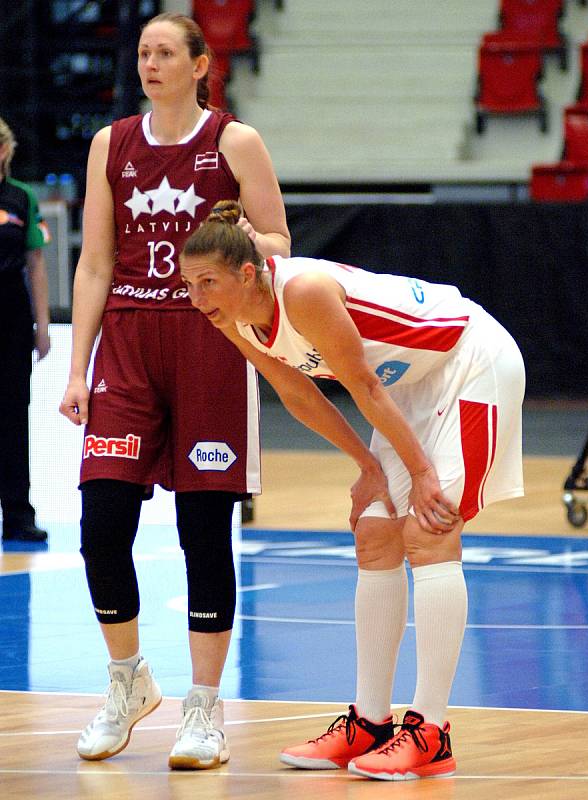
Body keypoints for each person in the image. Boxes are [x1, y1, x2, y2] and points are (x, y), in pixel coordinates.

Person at [179, 200, 526, 782]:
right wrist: (367, 465)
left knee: (428, 528)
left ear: (246, 274)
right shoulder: (235, 320)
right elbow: (298, 395)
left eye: (207, 282)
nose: (197, 299)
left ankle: (433, 732)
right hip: (410, 384)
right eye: (189, 285)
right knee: (373, 534)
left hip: (471, 361)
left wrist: (417, 473)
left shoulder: (305, 291)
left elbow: (361, 384)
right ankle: (369, 721)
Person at [58, 13, 290, 770]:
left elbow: (280, 242)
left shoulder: (234, 143)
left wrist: (237, 248)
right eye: (143, 54)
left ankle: (204, 707)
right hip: (126, 342)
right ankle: (128, 682)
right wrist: (75, 367)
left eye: (165, 53)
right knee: (101, 522)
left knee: (202, 532)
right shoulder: (111, 144)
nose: (150, 64)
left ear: (200, 64)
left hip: (208, 343)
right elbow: (94, 264)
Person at [0, 117, 51, 544]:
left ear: (4, 151)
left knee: (14, 418)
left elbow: (36, 264)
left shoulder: (22, 198)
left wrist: (43, 324)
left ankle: (18, 514)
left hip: (12, 318)